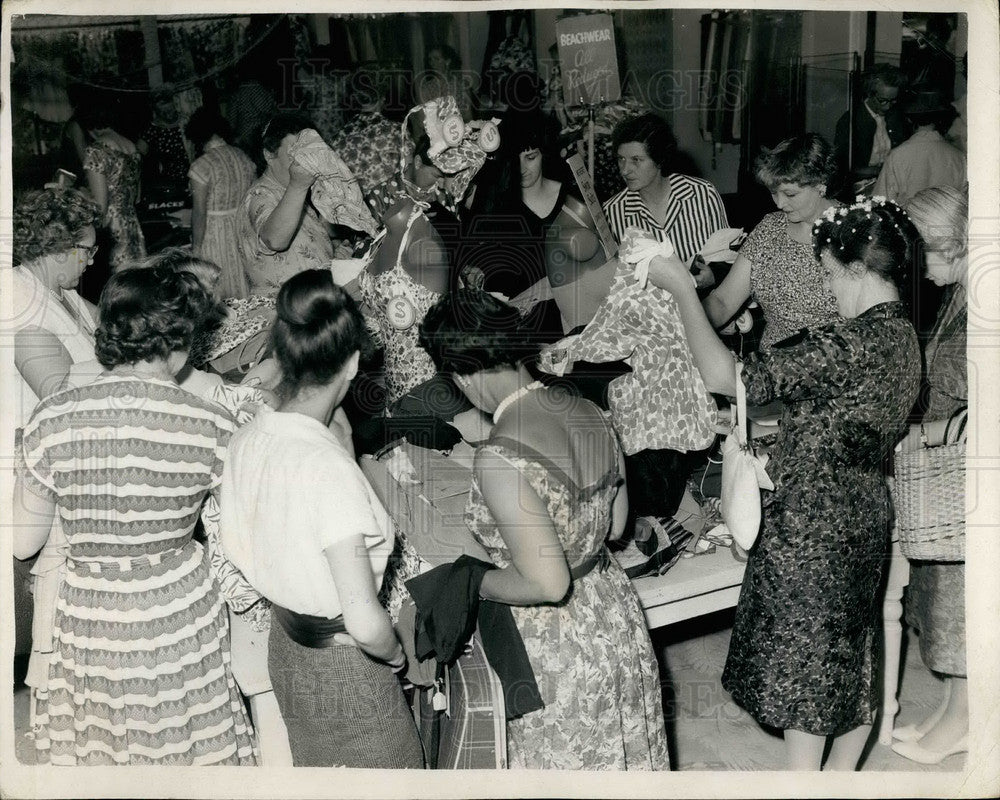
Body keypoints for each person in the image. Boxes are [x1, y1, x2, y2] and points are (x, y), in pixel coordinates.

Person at [645, 195, 922, 770]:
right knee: (851, 657)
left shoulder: (849, 342)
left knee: (806, 674)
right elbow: (846, 422)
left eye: (829, 274)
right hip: (864, 510)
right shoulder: (901, 336)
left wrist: (680, 288)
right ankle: (837, 780)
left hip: (814, 526)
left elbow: (723, 374)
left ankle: (802, 784)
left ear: (857, 269)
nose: (828, 289)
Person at [13, 266, 257, 766]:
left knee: (104, 752)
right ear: (180, 342)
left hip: (91, 615)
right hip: (178, 614)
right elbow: (240, 535)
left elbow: (22, 542)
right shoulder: (213, 423)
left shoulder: (52, 418)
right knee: (189, 751)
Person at [418, 289, 670, 771]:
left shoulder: (499, 457)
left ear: (463, 375)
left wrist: (473, 579)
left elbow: (548, 584)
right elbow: (615, 526)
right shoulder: (591, 412)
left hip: (556, 647)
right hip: (613, 615)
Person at [219, 269, 424, 769]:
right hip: (346, 669)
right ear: (352, 363)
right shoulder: (326, 469)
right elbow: (365, 622)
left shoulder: (249, 437)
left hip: (286, 647)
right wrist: (396, 655)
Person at [10, 188, 102, 740]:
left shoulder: (63, 294)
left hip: (69, 455)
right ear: (56, 244)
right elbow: (54, 389)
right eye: (86, 249)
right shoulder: (16, 294)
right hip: (35, 460)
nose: (92, 259)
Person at [891, 185, 969, 764]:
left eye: (922, 253)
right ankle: (953, 709)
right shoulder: (961, 291)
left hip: (966, 466)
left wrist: (924, 435)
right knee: (939, 591)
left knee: (960, 599)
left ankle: (965, 722)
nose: (916, 269)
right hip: (945, 462)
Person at [702, 133, 840, 351]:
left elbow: (872, 322)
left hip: (832, 360)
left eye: (790, 194)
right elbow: (723, 301)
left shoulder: (854, 230)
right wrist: (682, 323)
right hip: (772, 361)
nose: (779, 203)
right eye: (774, 193)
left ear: (821, 184)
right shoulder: (770, 228)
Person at [603, 111, 729, 279]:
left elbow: (727, 254)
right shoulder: (611, 212)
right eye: (621, 159)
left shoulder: (702, 194)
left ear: (659, 159)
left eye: (636, 160)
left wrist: (714, 275)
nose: (625, 170)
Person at [237, 112, 339, 296]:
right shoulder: (259, 194)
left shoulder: (291, 193)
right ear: (269, 154)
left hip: (311, 299)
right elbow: (275, 240)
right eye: (296, 152)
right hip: (284, 305)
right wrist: (298, 185)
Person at [185, 106, 258, 299]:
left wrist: (196, 249)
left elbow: (199, 213)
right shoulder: (243, 157)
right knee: (242, 280)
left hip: (215, 233)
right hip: (243, 228)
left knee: (217, 284)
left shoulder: (201, 166)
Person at [80, 100, 146, 272]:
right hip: (132, 225)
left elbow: (100, 206)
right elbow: (137, 196)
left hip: (111, 231)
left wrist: (81, 195)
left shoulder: (96, 151)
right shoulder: (132, 148)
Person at [873, 91, 965, 208]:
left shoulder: (897, 155)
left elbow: (881, 202)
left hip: (908, 218)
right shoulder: (958, 157)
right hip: (946, 219)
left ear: (909, 120)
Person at [833, 63, 909, 196]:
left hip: (892, 184)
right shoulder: (850, 121)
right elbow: (842, 168)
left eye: (893, 100)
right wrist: (877, 171)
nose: (888, 107)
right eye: (882, 100)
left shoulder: (897, 117)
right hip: (861, 189)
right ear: (869, 93)